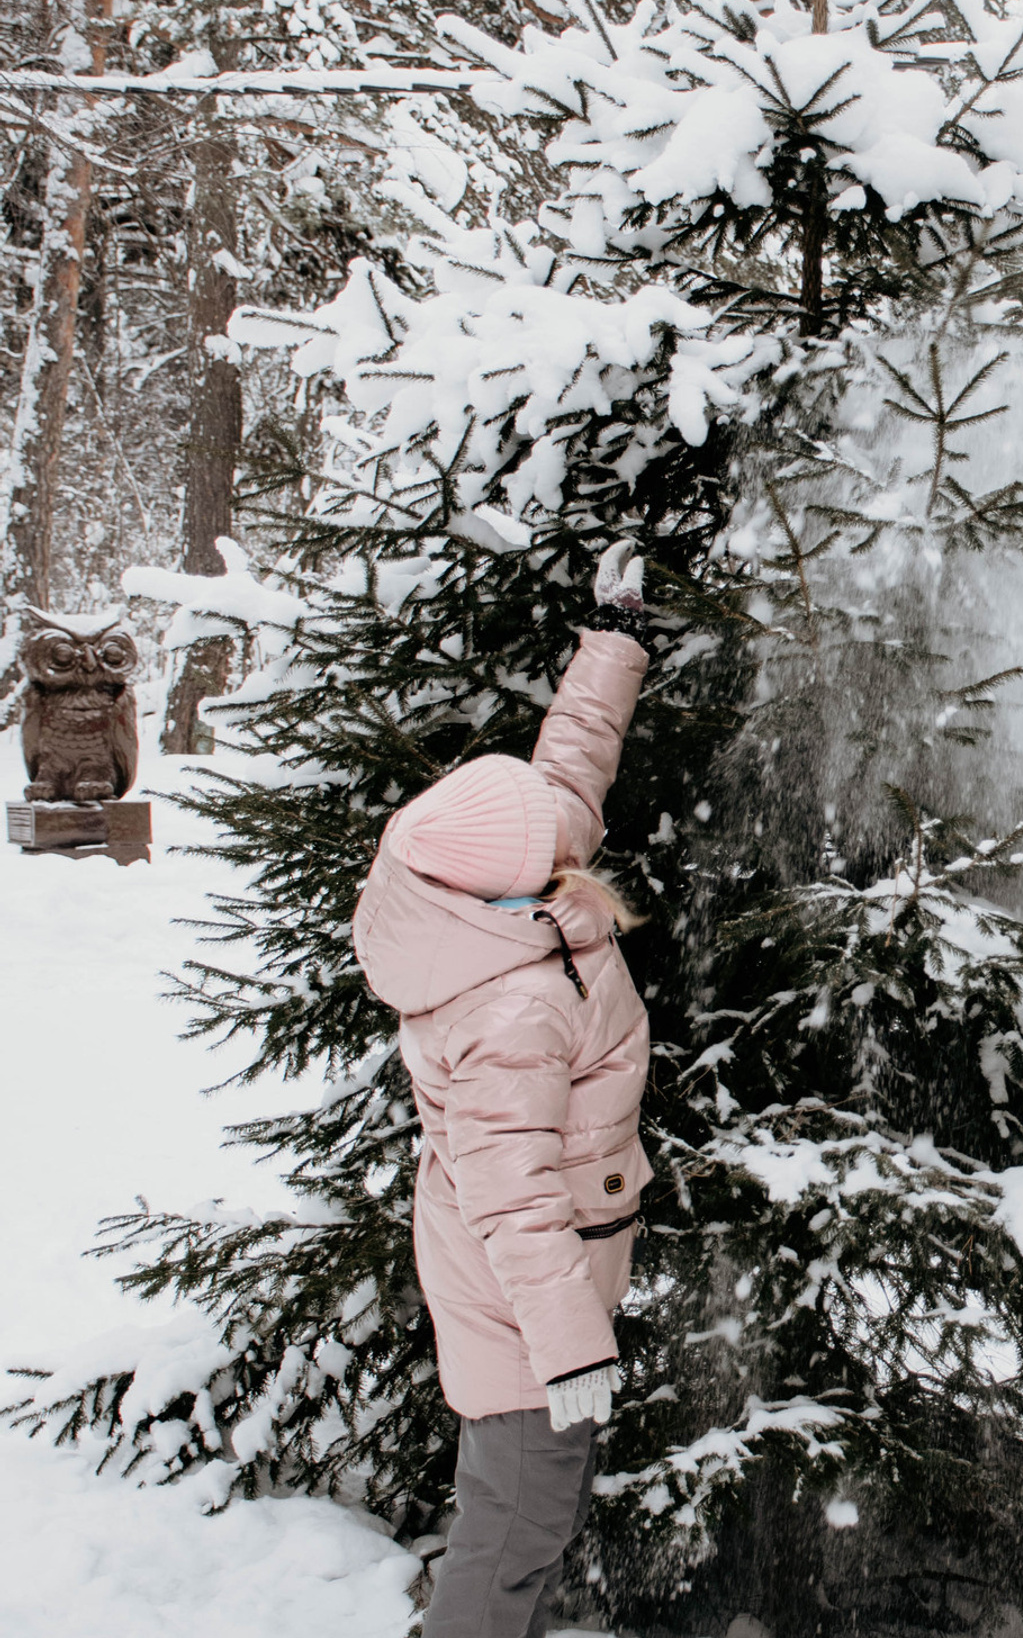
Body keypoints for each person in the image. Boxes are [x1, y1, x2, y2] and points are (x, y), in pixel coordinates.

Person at [352, 541, 654, 1638]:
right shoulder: (509, 1014)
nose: (573, 845)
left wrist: (613, 640)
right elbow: (515, 1202)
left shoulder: (476, 880)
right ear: (515, 885)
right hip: (524, 1305)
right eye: (552, 849)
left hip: (544, 1278)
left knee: (534, 1511)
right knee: (516, 1527)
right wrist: (571, 1350)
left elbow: (567, 777)